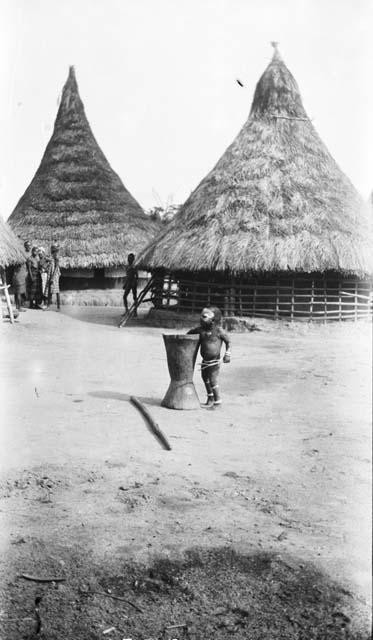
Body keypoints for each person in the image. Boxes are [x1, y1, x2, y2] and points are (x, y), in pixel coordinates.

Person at [187, 306, 231, 407]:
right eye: (201, 316)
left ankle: (217, 401)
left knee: (212, 379)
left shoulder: (218, 331)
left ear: (213, 320)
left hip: (214, 361)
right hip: (205, 361)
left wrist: (227, 354)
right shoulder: (200, 330)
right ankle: (210, 398)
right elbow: (188, 335)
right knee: (204, 377)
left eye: (204, 317)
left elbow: (228, 341)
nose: (201, 319)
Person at [46, 244, 61, 311]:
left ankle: (58, 307)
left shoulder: (56, 257)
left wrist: (52, 277)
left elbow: (56, 268)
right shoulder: (53, 256)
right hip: (51, 274)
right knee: (50, 290)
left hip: (54, 275)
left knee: (55, 291)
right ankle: (49, 306)